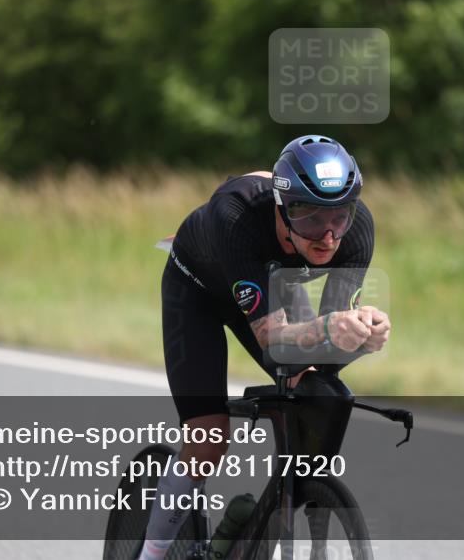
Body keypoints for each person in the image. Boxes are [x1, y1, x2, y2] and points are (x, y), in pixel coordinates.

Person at [140, 135, 391, 560]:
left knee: (312, 388)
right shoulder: (236, 214)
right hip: (199, 288)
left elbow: (326, 344)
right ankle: (151, 554)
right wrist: (329, 326)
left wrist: (363, 336)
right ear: (280, 206)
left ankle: (275, 506)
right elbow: (273, 339)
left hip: (271, 283)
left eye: (339, 218)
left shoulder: (357, 230)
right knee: (209, 435)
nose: (328, 236)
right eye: (309, 219)